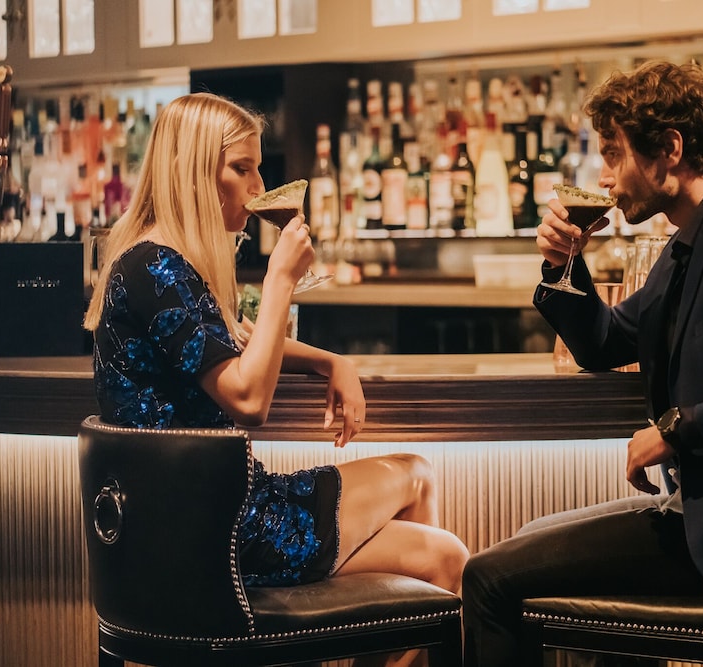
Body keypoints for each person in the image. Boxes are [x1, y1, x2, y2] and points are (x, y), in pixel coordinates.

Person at [460, 60, 703, 666]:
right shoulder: (687, 243)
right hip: (699, 516)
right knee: (526, 543)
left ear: (669, 150)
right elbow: (604, 343)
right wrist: (562, 264)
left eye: (614, 154)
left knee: (486, 577)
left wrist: (678, 429)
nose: (605, 177)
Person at [83, 93, 468, 666]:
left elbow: (238, 340)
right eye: (242, 168)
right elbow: (247, 398)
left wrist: (329, 362)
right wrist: (280, 279)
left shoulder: (159, 261)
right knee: (444, 555)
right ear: (193, 172)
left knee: (421, 486)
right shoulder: (156, 268)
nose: (259, 185)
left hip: (204, 515)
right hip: (217, 533)